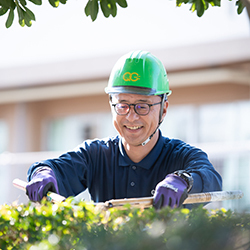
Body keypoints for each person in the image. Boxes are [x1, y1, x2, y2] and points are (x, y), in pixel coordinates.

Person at [26, 50, 222, 209]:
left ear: (164, 110)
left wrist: (183, 180)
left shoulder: (182, 156)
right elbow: (55, 170)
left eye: (143, 106)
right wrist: (43, 173)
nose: (131, 116)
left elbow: (210, 178)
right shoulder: (95, 155)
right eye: (122, 105)